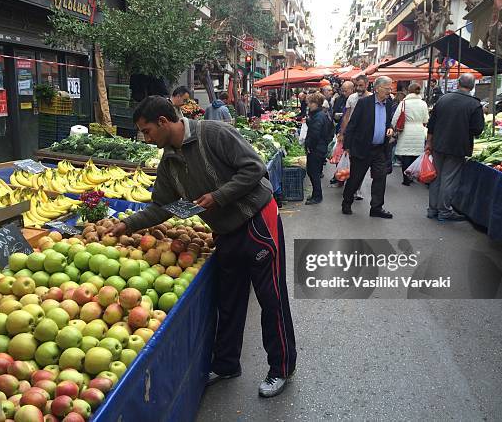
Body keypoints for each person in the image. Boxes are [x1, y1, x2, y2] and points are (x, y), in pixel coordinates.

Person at [110, 96, 296, 397]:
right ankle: (226, 365)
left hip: (257, 221)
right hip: (224, 231)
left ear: (163, 122)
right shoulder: (169, 160)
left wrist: (218, 196)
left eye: (147, 131)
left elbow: (254, 168)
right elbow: (164, 206)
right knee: (229, 301)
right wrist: (129, 225)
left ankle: (281, 368)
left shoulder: (213, 133)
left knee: (271, 297)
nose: (146, 138)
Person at [426, 73, 484, 221]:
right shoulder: (474, 104)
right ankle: (444, 212)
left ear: (458, 83)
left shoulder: (443, 99)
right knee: (449, 180)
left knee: (436, 177)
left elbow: (431, 124)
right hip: (458, 147)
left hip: (438, 144)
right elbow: (478, 130)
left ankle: (432, 209)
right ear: (472, 87)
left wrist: (429, 142)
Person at [342, 76, 395, 219]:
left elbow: (387, 122)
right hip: (362, 148)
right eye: (387, 88)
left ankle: (376, 208)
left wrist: (389, 128)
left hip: (379, 149)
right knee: (355, 178)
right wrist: (347, 146)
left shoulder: (389, 103)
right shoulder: (364, 103)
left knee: (380, 178)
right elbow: (352, 124)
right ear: (377, 89)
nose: (389, 91)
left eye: (391, 88)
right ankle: (347, 202)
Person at [391, 83, 429, 186]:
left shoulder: (404, 103)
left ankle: (406, 179)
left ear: (408, 91)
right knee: (415, 155)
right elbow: (426, 119)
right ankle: (412, 175)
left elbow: (396, 118)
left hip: (405, 130)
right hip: (419, 131)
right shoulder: (423, 103)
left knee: (406, 155)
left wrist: (393, 128)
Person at [341, 75, 371, 200]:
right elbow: (346, 117)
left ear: (367, 84)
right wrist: (343, 133)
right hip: (353, 135)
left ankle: (356, 188)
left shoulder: (371, 99)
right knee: (354, 164)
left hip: (367, 137)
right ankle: (353, 189)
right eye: (357, 86)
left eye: (361, 86)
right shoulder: (352, 98)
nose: (358, 88)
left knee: (363, 165)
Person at [304, 92, 334, 205]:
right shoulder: (321, 115)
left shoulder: (318, 116)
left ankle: (317, 196)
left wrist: (310, 147)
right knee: (314, 172)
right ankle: (316, 194)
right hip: (320, 148)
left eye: (310, 103)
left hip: (316, 149)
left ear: (316, 104)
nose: (309, 105)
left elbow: (315, 135)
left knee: (313, 172)